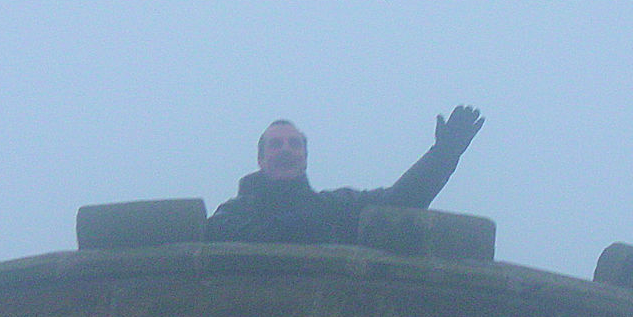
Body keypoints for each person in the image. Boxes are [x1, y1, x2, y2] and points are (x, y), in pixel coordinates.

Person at [205, 105, 484, 243]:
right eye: (276, 145)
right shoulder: (232, 213)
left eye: (294, 144)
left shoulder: (337, 205)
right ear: (261, 159)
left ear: (304, 157)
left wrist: (444, 154)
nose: (286, 150)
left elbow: (402, 200)